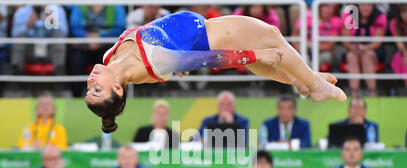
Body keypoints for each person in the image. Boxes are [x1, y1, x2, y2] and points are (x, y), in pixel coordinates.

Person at [85, 10, 346, 133]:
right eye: (97, 90)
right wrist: (254, 54)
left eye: (90, 89)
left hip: (199, 31)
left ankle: (301, 81)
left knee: (263, 63)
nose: (91, 81)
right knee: (271, 37)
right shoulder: (154, 63)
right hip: (207, 36)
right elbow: (213, 59)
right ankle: (314, 85)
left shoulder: (110, 57)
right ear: (118, 89)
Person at [69, 5, 126, 96]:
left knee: (109, 60)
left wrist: (100, 37)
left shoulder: (116, 6)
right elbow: (74, 27)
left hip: (106, 45)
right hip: (84, 45)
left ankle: (105, 94)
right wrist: (87, 37)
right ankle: (76, 95)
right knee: (76, 60)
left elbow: (119, 28)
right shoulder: (80, 5)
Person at [341, 4, 387, 97]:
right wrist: (354, 48)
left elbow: (377, 43)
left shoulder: (379, 16)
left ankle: (372, 92)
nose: (366, 7)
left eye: (369, 5)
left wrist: (364, 48)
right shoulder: (349, 15)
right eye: (363, 4)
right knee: (351, 56)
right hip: (353, 49)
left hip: (373, 50)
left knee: (367, 55)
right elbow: (346, 42)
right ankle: (354, 93)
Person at [10, 5, 68, 75]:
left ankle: (60, 75)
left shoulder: (57, 10)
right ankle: (16, 74)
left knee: (58, 37)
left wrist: (53, 23)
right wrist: (27, 26)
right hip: (29, 49)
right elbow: (14, 34)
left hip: (50, 49)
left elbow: (65, 32)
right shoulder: (22, 12)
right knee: (20, 39)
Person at [291, 4, 341, 69]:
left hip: (322, 52)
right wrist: (301, 47)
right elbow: (295, 36)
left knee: (325, 56)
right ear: (320, 6)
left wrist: (310, 45)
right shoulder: (307, 15)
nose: (329, 10)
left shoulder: (336, 21)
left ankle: (309, 76)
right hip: (304, 49)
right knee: (302, 57)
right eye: (326, 6)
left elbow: (329, 46)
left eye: (333, 8)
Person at [390, 4, 407, 87]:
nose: (406, 14)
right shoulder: (394, 23)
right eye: (403, 12)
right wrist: (405, 53)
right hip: (402, 53)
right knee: (404, 62)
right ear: (399, 13)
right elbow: (399, 43)